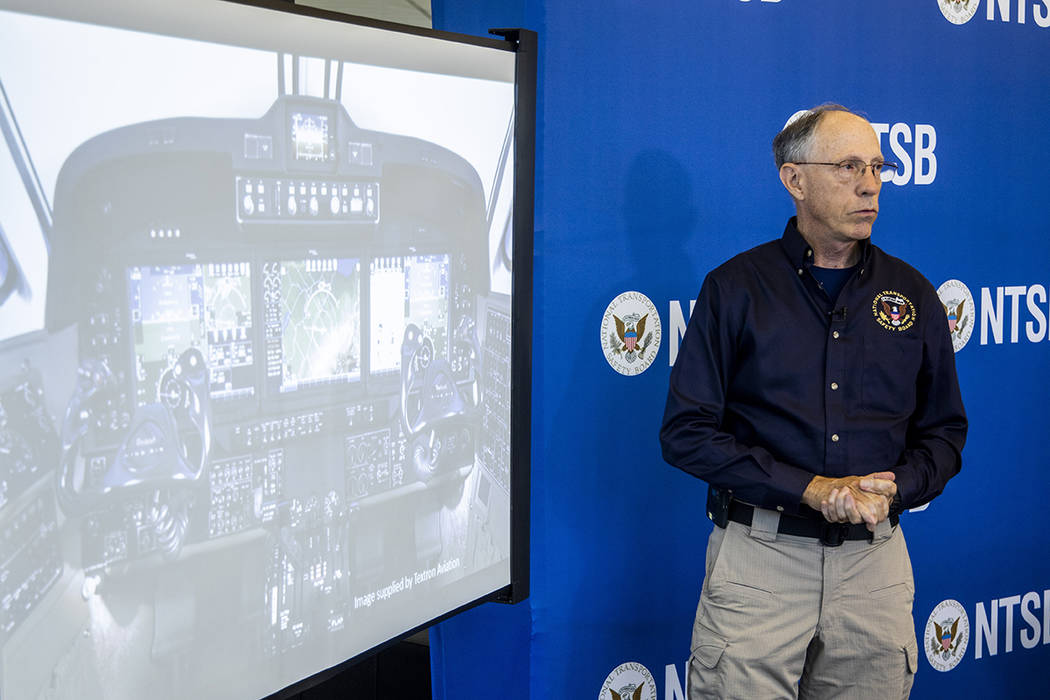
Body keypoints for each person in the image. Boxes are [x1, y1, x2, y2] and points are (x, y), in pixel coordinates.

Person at [659, 104, 967, 699]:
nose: (869, 184)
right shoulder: (734, 289)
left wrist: (899, 485)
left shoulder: (914, 293)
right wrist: (809, 488)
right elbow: (686, 431)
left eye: (877, 167)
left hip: (875, 571)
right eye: (849, 165)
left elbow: (946, 431)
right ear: (793, 179)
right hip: (759, 567)